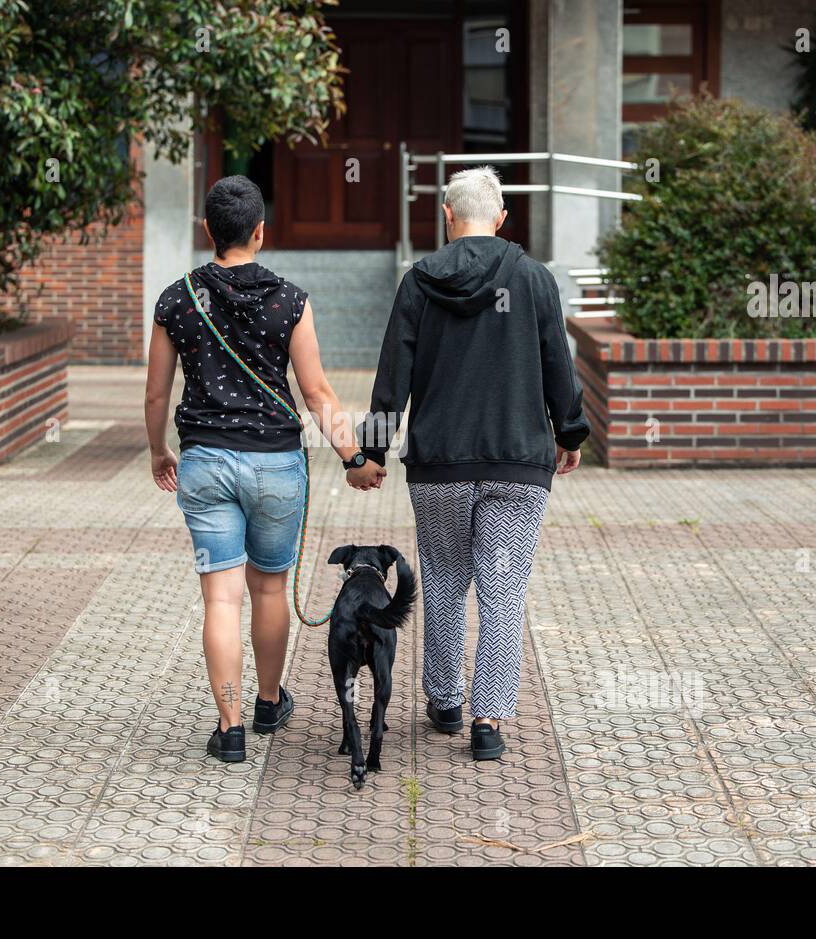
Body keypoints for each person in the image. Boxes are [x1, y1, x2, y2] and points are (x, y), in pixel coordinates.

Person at [145, 175, 385, 764]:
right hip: (276, 465)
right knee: (269, 587)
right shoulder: (291, 300)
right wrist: (354, 458)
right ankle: (270, 701)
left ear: (207, 232)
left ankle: (229, 729)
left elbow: (155, 394)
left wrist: (159, 449)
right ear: (259, 231)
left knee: (221, 600)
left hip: (203, 463)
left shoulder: (177, 298)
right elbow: (318, 392)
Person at [356, 165, 589, 761]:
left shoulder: (419, 282)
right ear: (502, 217)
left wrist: (373, 452)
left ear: (448, 216)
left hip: (440, 464)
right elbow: (559, 365)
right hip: (517, 464)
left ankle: (446, 702)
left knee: (443, 581)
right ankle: (488, 721)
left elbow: (392, 379)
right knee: (502, 588)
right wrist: (570, 432)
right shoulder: (534, 280)